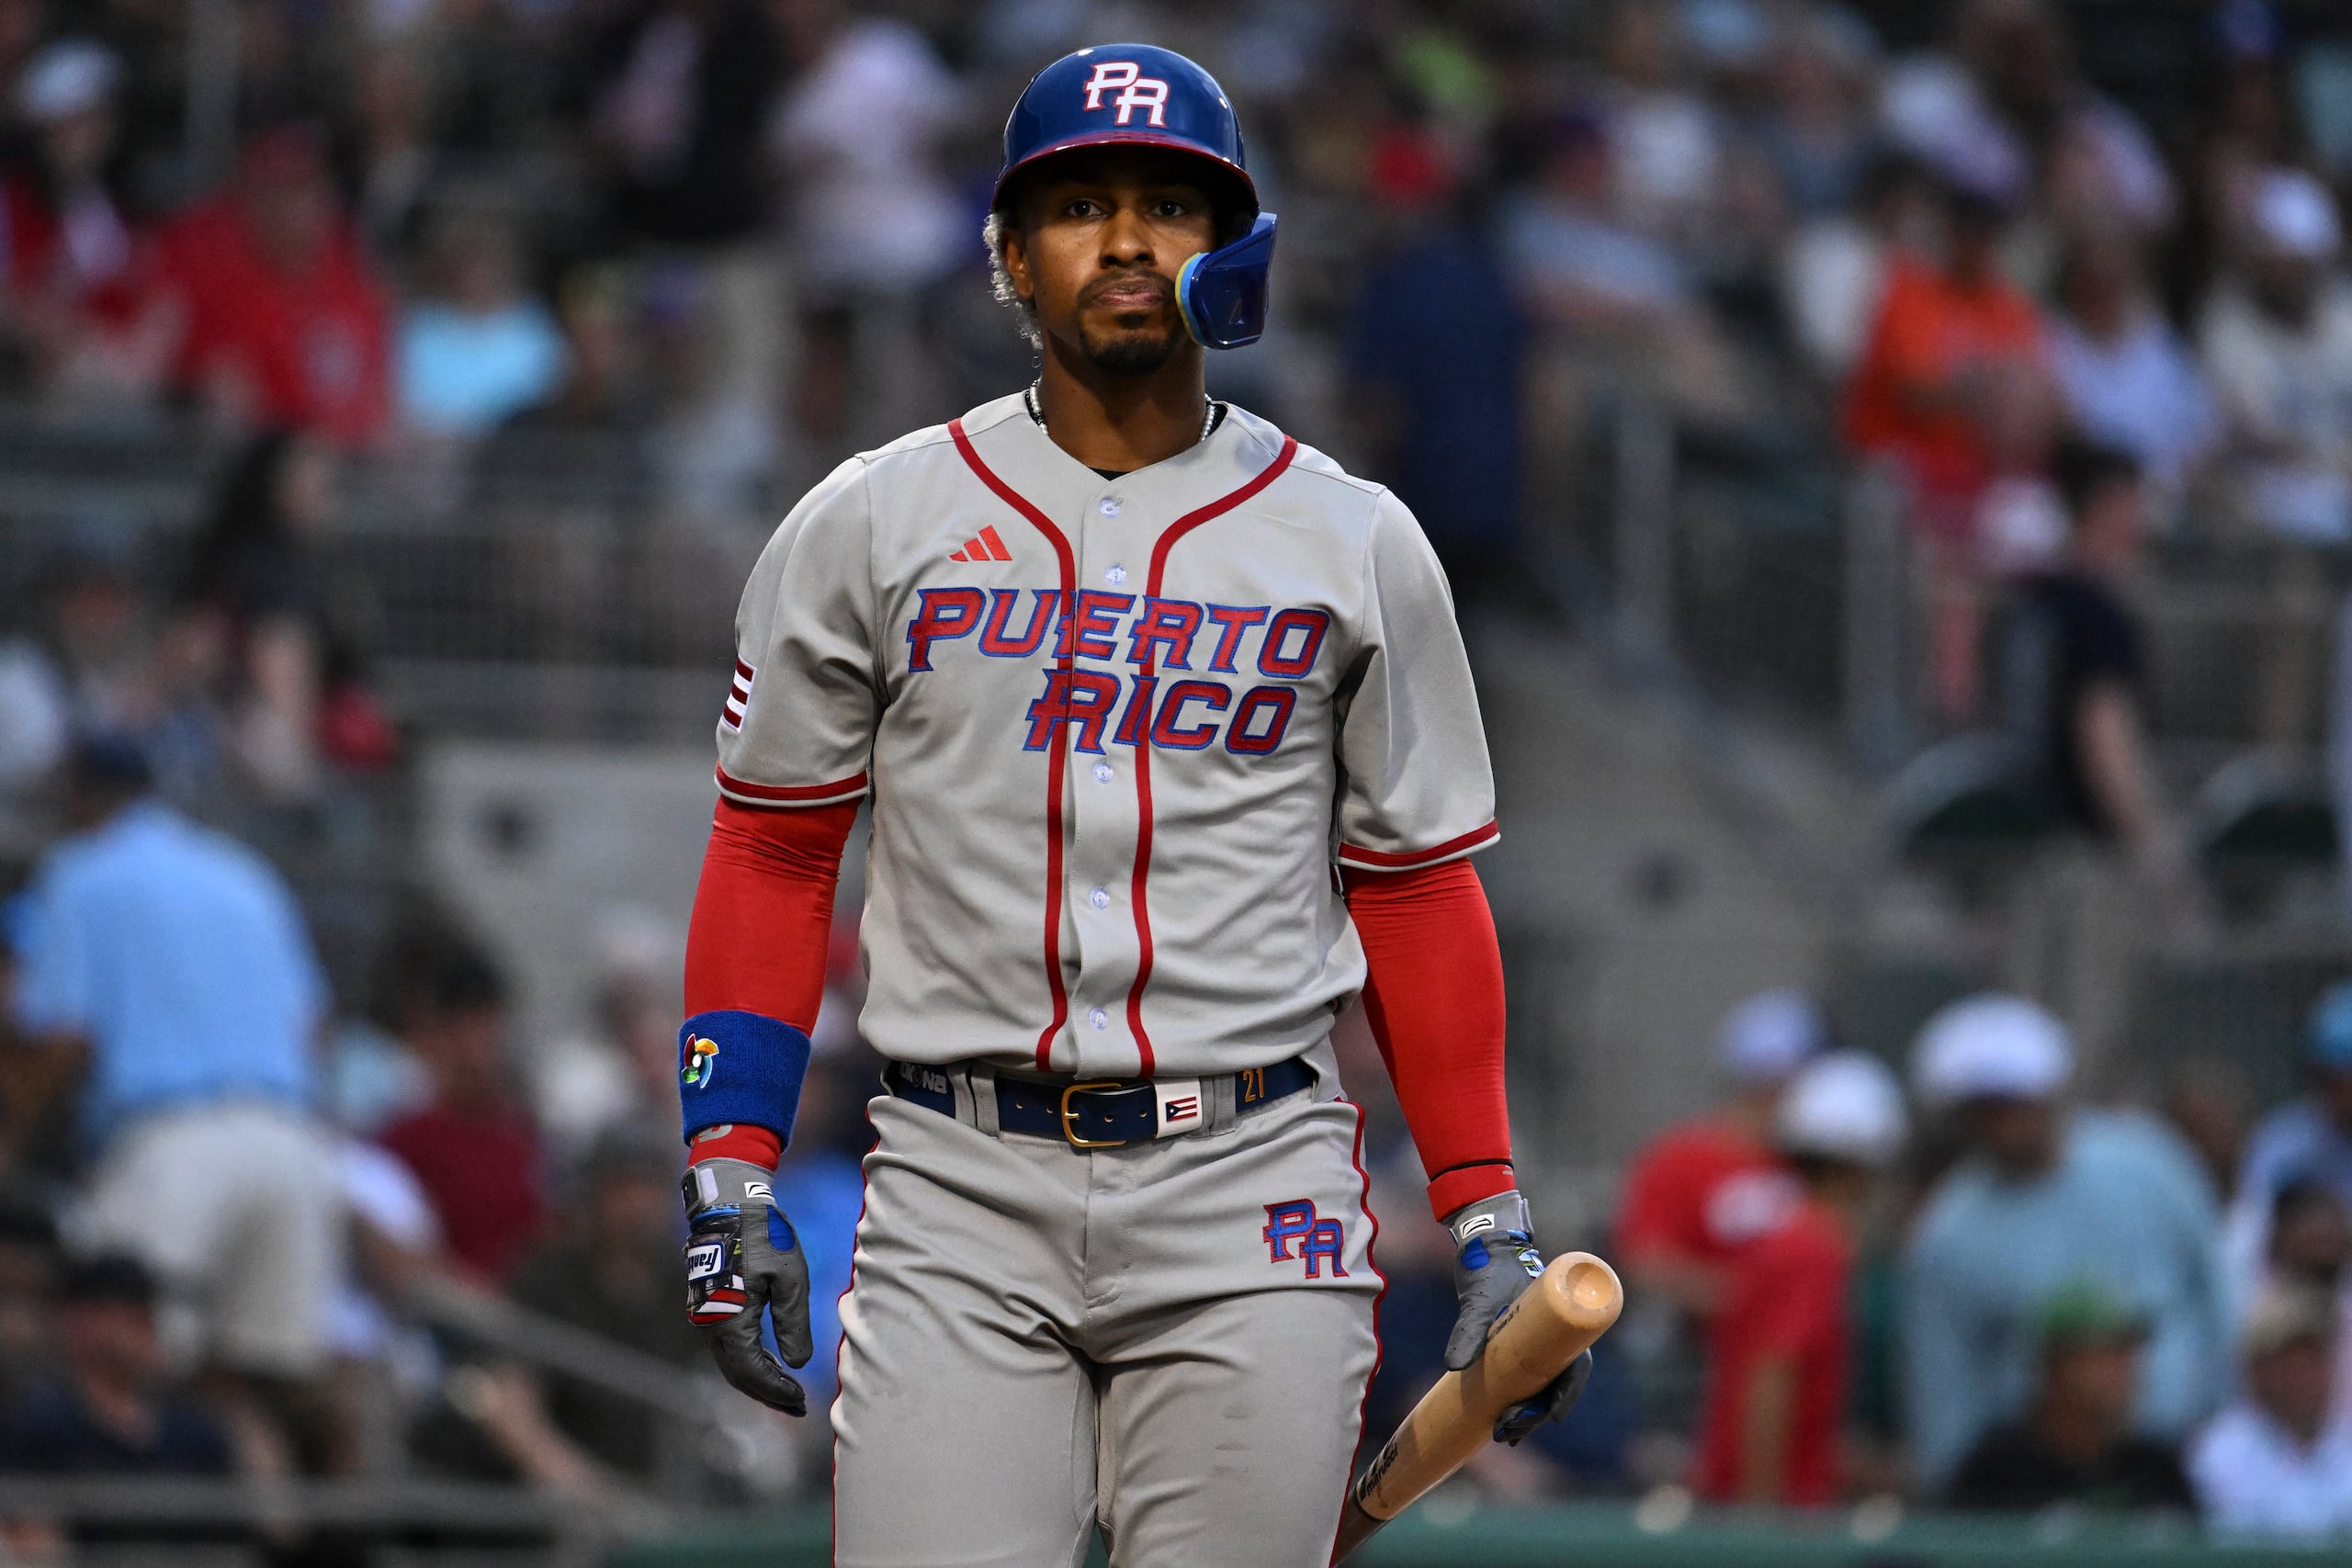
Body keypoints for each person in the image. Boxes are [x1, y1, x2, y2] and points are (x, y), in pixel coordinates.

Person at [673, 46, 1588, 1564]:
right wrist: (731, 1163)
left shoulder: (1353, 538)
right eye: (1080, 202)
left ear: (1232, 249)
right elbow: (773, 843)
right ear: (1009, 254)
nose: (1125, 239)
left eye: (1171, 203)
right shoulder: (873, 518)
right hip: (961, 1177)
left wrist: (1486, 1208)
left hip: (1254, 1185)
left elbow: (1418, 886)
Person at [0, 738, 343, 1400]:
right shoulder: (244, 872)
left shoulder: (82, 869)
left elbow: (68, 1036)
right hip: (292, 1144)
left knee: (122, 1368)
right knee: (246, 1389)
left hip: (174, 1144)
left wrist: (10, 1142)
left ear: (80, 799)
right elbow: (314, 1027)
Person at [1902, 994, 2230, 1493]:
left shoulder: (2150, 1162)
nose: (2005, 1121)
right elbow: (1944, 1390)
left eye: (2016, 1100)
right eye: (1984, 1108)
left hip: (2186, 1461)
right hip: (2034, 1488)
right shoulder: (1948, 1236)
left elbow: (2218, 1287)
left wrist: (2224, 1427)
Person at [1995, 437, 2186, 1076]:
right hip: (2087, 856)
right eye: (2134, 502)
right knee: (2082, 1040)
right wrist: (2149, 840)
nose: (2143, 519)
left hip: (2022, 844)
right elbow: (2103, 732)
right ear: (2105, 505)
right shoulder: (2099, 612)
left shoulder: (2032, 602)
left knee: (2023, 1033)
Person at [1694, 1050, 1907, 1506]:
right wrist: (1765, 1515)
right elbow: (1772, 1378)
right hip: (1770, 1512)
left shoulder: (1788, 1240)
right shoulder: (1809, 1251)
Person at [153, 123, 391, 446]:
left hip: (350, 465)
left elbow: (378, 403)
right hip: (259, 463)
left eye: (302, 191)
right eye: (274, 192)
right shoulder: (214, 277)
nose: (289, 210)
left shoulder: (355, 281)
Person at [1615, 989, 1825, 1323]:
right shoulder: (1681, 1159)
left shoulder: (1814, 1158)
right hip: (1699, 1353)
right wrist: (1740, 1295)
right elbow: (1644, 1260)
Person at [377, 942, 547, 1284]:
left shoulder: (524, 1135)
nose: (475, 1052)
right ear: (436, 1038)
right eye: (462, 1033)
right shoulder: (404, 1141)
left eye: (486, 1031)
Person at [2198, 167, 2352, 543]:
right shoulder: (2227, 325)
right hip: (2268, 497)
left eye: (2294, 264)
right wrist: (2329, 456)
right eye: (2272, 262)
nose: (2281, 275)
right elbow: (2258, 433)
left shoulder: (2343, 312)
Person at [1948, 1281, 2197, 1514]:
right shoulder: (1996, 1472)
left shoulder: (2156, 1470)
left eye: (2127, 1355)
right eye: (2103, 1355)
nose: (2123, 1372)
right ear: (2054, 1366)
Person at [2190, 1285, 2352, 1538]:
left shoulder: (2345, 1446)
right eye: (2288, 1361)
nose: (2302, 1376)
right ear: (2256, 1370)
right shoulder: (2219, 1453)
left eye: (2312, 1359)